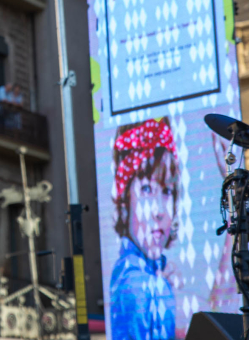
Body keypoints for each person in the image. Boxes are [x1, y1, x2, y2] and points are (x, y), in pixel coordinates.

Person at [110, 117, 179, 340]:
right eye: (147, 189)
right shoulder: (138, 284)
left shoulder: (149, 276)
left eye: (167, 190)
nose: (159, 210)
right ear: (124, 200)